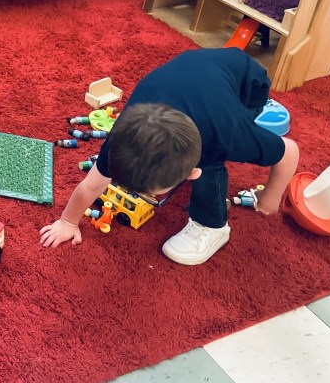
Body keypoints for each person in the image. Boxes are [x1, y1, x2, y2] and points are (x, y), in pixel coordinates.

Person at [40, 48, 299, 265]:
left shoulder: (227, 134)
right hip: (195, 72)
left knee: (212, 164)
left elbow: (289, 152)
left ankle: (213, 226)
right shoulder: (123, 138)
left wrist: (270, 198)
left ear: (192, 172)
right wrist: (67, 221)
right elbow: (92, 184)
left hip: (247, 83)